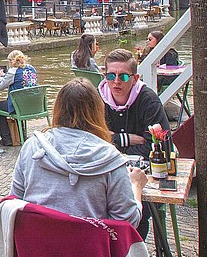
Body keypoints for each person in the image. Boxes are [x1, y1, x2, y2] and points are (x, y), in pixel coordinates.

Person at [10, 79, 146, 227]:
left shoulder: (32, 147)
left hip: (38, 246)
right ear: (98, 112)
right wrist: (136, 186)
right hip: (89, 248)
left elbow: (15, 201)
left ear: (58, 108)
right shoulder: (111, 159)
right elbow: (127, 222)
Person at [99, 49, 170, 160]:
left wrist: (112, 143)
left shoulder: (150, 101)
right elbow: (87, 140)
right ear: (105, 76)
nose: (117, 81)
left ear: (135, 79)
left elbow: (162, 146)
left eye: (124, 77)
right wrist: (123, 139)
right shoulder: (95, 100)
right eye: (111, 76)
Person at [0, 50, 38, 146]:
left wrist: (1, 77)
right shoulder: (31, 68)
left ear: (11, 61)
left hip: (20, 107)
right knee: (11, 102)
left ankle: (6, 138)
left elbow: (0, 87)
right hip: (34, 105)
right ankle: (21, 134)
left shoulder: (13, 72)